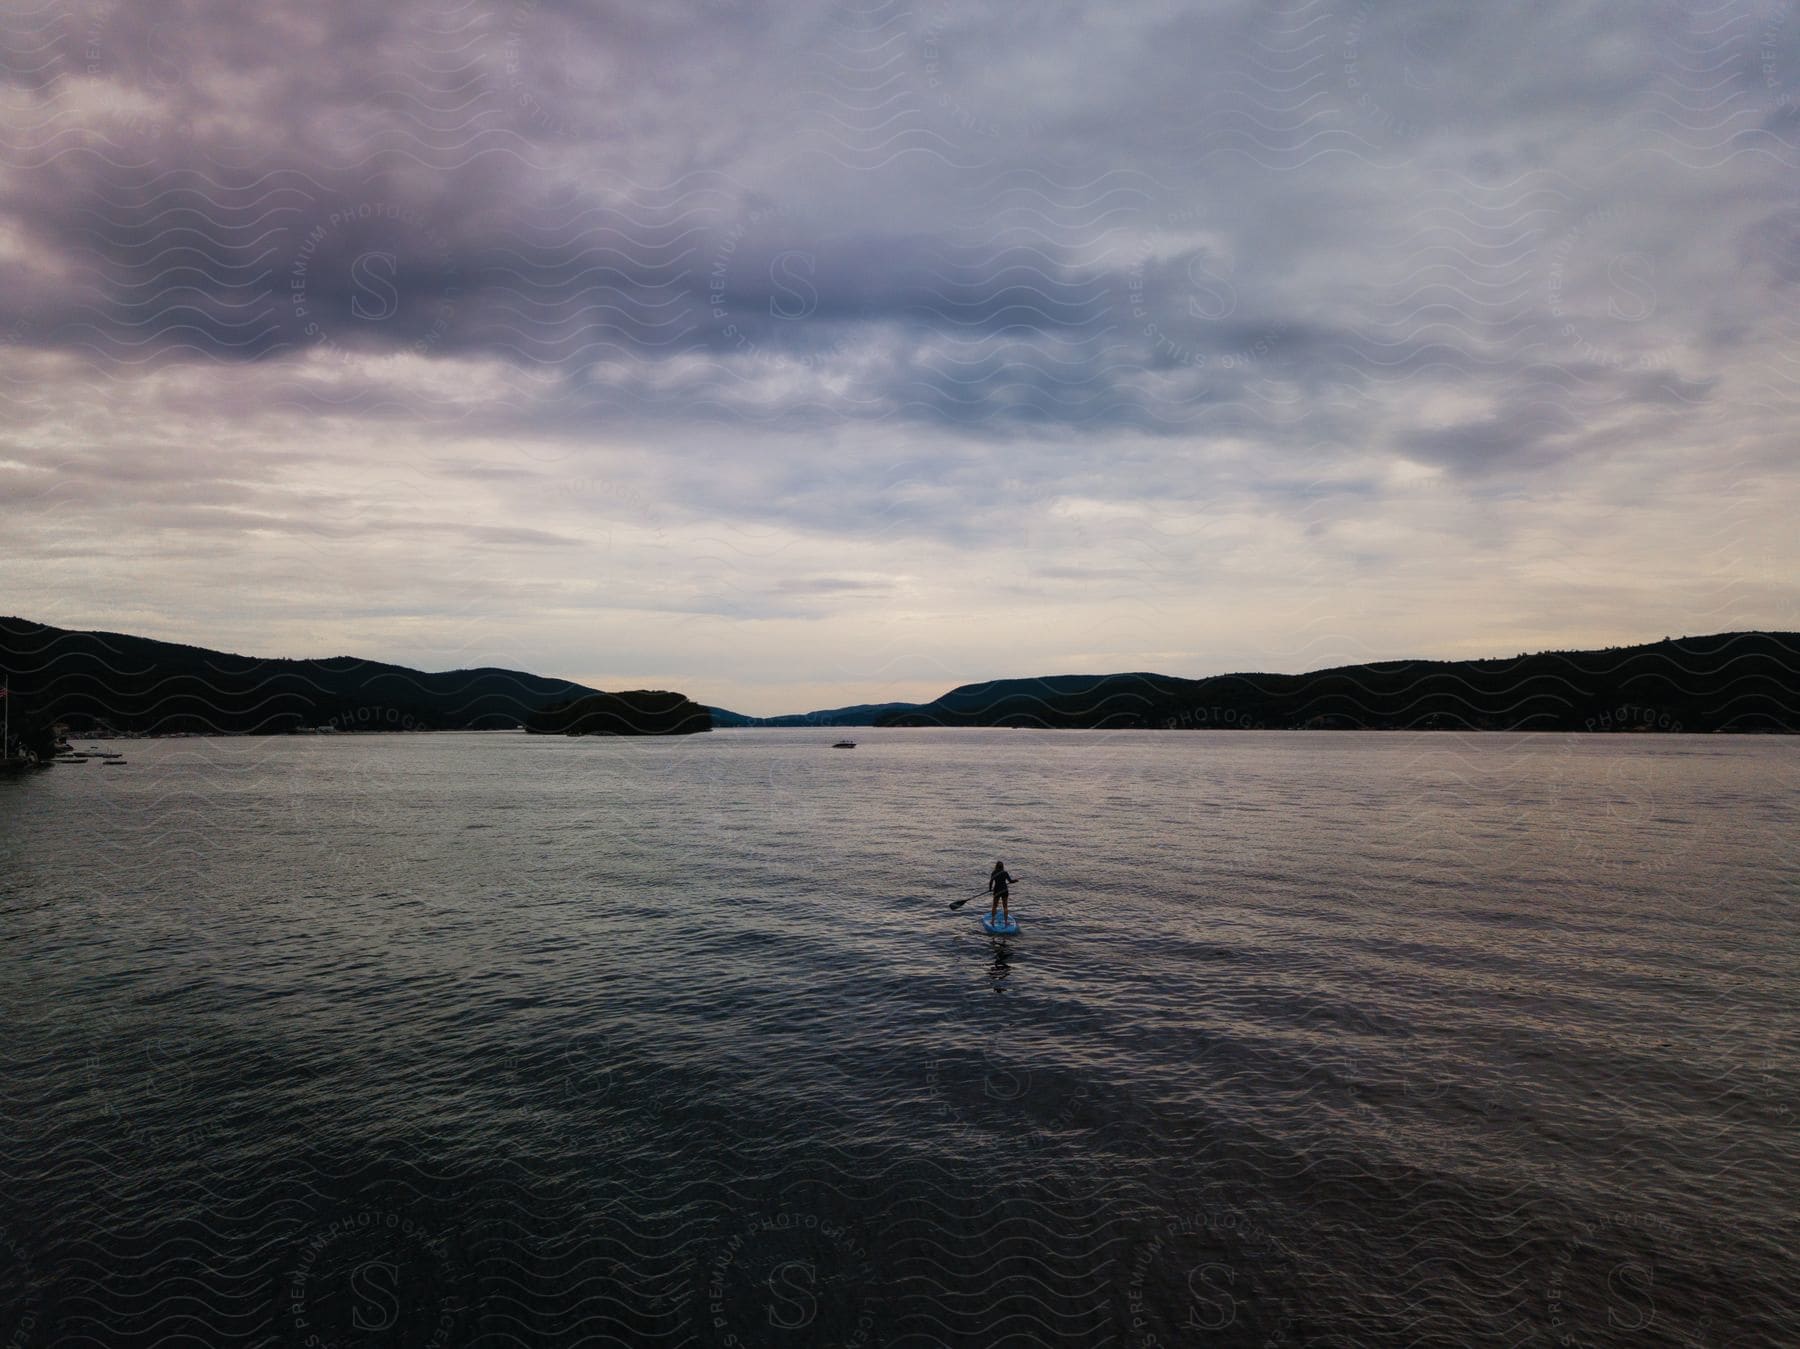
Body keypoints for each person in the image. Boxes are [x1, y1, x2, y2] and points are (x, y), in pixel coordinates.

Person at [988, 860, 1016, 924]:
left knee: (994, 906)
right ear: (1002, 866)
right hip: (1004, 890)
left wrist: (990, 889)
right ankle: (1006, 922)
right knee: (1005, 906)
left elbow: (991, 882)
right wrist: (1015, 881)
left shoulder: (994, 873)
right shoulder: (1005, 873)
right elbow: (1010, 881)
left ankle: (992, 921)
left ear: (996, 866)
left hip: (997, 890)